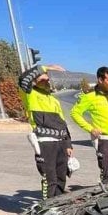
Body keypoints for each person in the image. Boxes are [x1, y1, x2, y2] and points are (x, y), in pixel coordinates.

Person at [18, 62, 72, 199]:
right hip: (45, 143)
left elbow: (62, 123)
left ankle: (58, 206)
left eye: (48, 79)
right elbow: (23, 79)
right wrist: (45, 67)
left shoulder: (53, 100)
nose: (46, 82)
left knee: (61, 178)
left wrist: (68, 144)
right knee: (50, 179)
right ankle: (46, 208)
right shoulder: (29, 94)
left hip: (60, 143)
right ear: (34, 81)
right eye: (42, 79)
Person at [70, 66, 108, 183]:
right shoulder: (89, 97)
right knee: (106, 176)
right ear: (100, 80)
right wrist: (90, 129)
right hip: (105, 142)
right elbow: (75, 113)